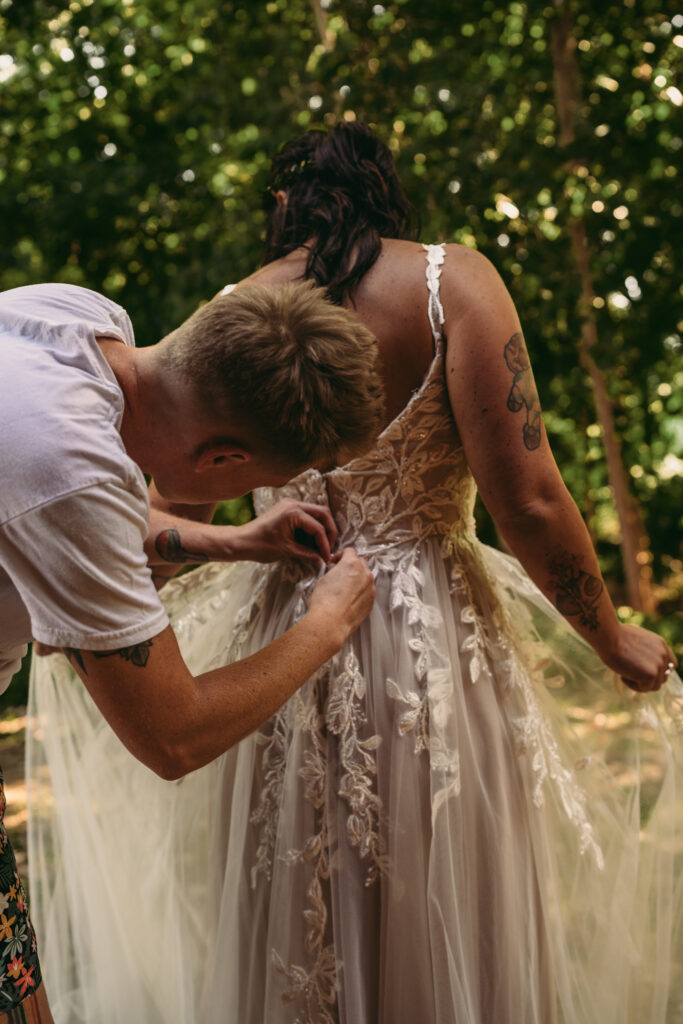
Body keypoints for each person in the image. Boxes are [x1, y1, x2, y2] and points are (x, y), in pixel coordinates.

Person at [28, 123, 682, 1024]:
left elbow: (178, 503)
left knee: (292, 919)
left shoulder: (234, 308)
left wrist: (114, 592)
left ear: (284, 208)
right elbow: (526, 501)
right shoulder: (455, 283)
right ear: (387, 195)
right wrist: (609, 638)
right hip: (431, 649)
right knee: (445, 903)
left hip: (274, 647)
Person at [0, 278, 382, 1022]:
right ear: (221, 458)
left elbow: (83, 509)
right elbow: (172, 734)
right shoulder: (64, 466)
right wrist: (326, 627)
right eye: (256, 484)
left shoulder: (69, 318)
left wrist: (231, 540)